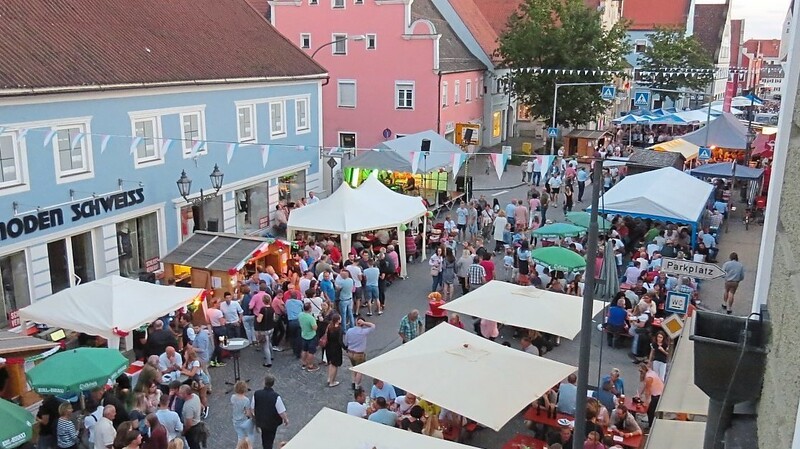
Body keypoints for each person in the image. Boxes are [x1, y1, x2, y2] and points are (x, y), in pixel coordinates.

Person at [252, 375, 289, 449]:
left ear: (264, 382)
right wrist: (286, 419)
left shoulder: (257, 394)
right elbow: (281, 411)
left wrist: (255, 417)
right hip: (272, 423)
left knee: (264, 436)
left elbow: (252, 408)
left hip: (261, 420)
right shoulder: (276, 396)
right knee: (270, 438)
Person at [345, 316, 376, 391]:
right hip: (359, 354)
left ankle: (353, 381)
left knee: (354, 367)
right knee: (360, 370)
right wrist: (364, 323)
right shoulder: (363, 332)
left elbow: (346, 342)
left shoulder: (349, 331)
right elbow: (373, 326)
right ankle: (357, 385)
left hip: (350, 352)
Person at [636, 363, 664, 427]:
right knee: (652, 410)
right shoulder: (650, 372)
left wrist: (646, 402)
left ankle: (651, 426)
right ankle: (652, 424)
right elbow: (645, 385)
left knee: (650, 411)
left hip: (658, 394)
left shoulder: (649, 377)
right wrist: (639, 394)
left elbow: (647, 392)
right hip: (658, 392)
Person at [254, 297, 275, 368]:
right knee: (269, 342)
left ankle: (268, 362)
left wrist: (257, 317)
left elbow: (259, 320)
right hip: (271, 328)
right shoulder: (272, 308)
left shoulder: (263, 309)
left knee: (265, 346)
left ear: (263, 301)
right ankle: (272, 356)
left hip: (264, 330)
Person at [298, 302, 319, 371]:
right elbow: (315, 328)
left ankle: (304, 363)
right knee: (311, 352)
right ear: (310, 309)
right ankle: (310, 365)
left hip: (304, 334)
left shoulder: (300, 315)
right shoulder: (311, 318)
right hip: (311, 336)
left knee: (304, 350)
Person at [324, 313, 344, 388]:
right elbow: (340, 341)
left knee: (331, 363)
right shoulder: (339, 329)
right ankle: (332, 381)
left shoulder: (329, 326)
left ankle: (329, 378)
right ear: (338, 320)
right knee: (335, 365)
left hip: (329, 347)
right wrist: (345, 348)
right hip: (336, 348)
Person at [206, 300, 227, 367]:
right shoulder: (218, 312)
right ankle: (218, 360)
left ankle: (214, 360)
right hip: (221, 328)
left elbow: (208, 321)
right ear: (215, 303)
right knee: (222, 344)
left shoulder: (208, 310)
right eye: (218, 303)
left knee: (217, 344)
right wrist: (225, 320)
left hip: (215, 328)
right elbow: (222, 322)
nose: (219, 304)